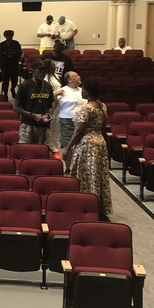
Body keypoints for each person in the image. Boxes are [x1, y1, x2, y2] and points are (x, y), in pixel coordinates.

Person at [62, 79, 111, 220]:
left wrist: (68, 148)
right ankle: (98, 207)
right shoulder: (102, 106)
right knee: (98, 176)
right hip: (100, 142)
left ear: (88, 92)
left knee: (85, 176)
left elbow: (79, 131)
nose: (81, 91)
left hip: (87, 144)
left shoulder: (86, 108)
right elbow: (103, 127)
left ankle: (86, 206)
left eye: (83, 89)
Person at [14, 61, 54, 144]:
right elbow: (16, 107)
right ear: (33, 71)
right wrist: (33, 115)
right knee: (27, 149)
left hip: (43, 124)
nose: (42, 72)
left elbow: (50, 105)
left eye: (44, 70)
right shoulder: (25, 86)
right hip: (28, 124)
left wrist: (48, 115)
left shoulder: (48, 86)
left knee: (44, 149)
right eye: (40, 70)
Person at [54, 70, 85, 160]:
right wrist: (55, 96)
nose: (79, 77)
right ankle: (68, 166)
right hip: (68, 120)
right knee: (69, 144)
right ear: (69, 80)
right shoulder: (62, 91)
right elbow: (53, 106)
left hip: (82, 120)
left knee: (81, 144)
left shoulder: (82, 90)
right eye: (76, 76)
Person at [0, 29, 23, 98]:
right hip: (5, 65)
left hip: (14, 64)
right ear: (5, 36)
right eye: (7, 35)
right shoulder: (2, 44)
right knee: (5, 80)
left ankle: (13, 88)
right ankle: (5, 93)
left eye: (10, 35)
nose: (9, 37)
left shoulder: (16, 43)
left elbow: (19, 53)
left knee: (14, 79)